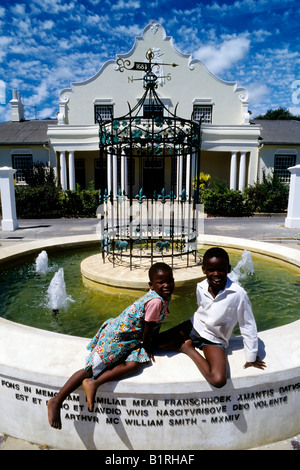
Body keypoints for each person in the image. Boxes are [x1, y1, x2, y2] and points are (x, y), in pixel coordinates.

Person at [48, 262, 174, 429]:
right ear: (151, 285)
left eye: (169, 280)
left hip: (130, 338)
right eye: (161, 282)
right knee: (91, 368)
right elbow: (148, 329)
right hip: (118, 337)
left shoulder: (163, 296)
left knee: (134, 364)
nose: (166, 285)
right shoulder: (156, 302)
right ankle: (57, 400)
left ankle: (94, 383)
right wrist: (149, 348)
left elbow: (152, 326)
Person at [156, 247, 266, 388]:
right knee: (154, 344)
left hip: (214, 338)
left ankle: (187, 348)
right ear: (203, 270)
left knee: (218, 380)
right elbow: (201, 309)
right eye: (211, 270)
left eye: (221, 269)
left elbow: (247, 325)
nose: (216, 274)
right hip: (194, 327)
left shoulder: (238, 294)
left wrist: (251, 357)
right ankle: (186, 342)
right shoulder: (200, 287)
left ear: (228, 269)